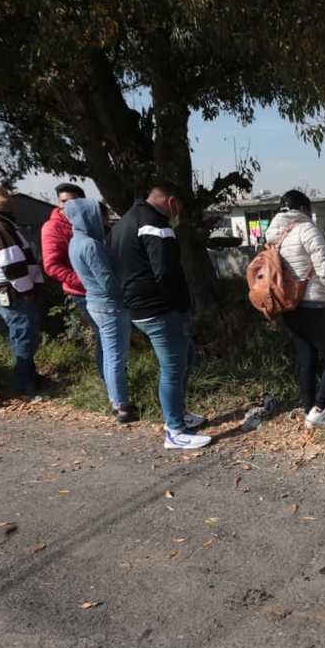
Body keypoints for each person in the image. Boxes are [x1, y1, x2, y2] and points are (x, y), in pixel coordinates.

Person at [110, 181, 210, 449]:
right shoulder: (157, 225)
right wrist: (180, 305)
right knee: (173, 368)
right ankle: (174, 430)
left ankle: (179, 414)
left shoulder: (123, 223)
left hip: (138, 306)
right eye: (180, 207)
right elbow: (165, 272)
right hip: (160, 309)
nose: (179, 213)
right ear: (171, 201)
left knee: (184, 358)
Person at [264, 190, 325, 429]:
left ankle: (309, 410)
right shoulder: (307, 229)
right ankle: (319, 408)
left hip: (288, 305)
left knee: (306, 360)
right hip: (314, 304)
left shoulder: (273, 235)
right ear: (305, 209)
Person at [63, 197, 134, 423]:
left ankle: (116, 400)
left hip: (94, 302)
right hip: (109, 306)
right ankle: (123, 406)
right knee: (116, 357)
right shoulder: (91, 245)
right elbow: (108, 281)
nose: (104, 220)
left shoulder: (76, 241)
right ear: (89, 216)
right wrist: (127, 296)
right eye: (100, 215)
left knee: (108, 353)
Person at [0, 187, 46, 399]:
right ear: (7, 209)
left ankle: (28, 376)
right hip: (13, 290)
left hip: (6, 288)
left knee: (21, 333)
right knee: (24, 334)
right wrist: (28, 290)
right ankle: (25, 385)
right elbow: (12, 265)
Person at [41, 182, 103, 381]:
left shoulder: (91, 221)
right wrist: (85, 282)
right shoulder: (53, 227)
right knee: (104, 336)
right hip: (83, 292)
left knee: (111, 336)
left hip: (101, 288)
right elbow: (52, 266)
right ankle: (110, 384)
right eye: (63, 202)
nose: (68, 206)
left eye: (72, 201)